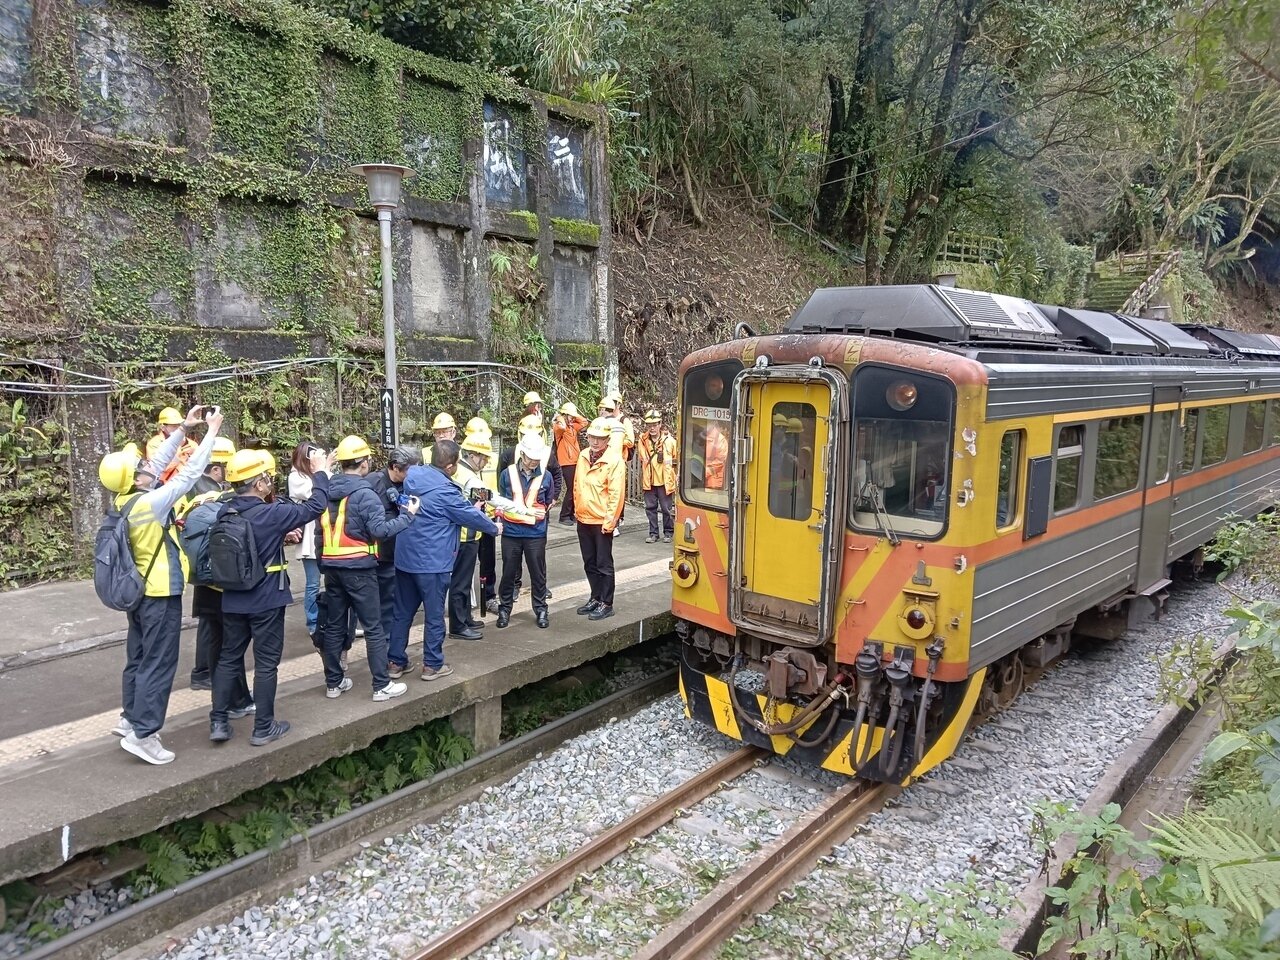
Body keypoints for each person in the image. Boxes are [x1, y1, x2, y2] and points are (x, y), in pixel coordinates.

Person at [99, 405, 224, 765]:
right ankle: (145, 733)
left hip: (140, 593)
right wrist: (212, 433)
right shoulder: (149, 505)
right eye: (140, 467)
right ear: (135, 479)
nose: (146, 466)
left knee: (138, 657)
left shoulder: (127, 500)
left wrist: (183, 429)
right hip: (160, 594)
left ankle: (130, 718)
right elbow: (188, 476)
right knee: (159, 662)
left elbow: (157, 464)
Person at [210, 446, 333, 746]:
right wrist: (319, 472)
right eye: (266, 478)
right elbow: (315, 506)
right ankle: (263, 727)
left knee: (228, 658)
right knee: (266, 664)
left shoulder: (226, 511)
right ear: (258, 483)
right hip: (266, 599)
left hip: (232, 598)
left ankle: (219, 722)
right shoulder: (271, 512)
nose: (269, 482)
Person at [317, 435, 419, 702]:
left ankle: (334, 683)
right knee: (374, 627)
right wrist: (408, 516)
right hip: (360, 569)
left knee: (335, 625)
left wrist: (323, 564)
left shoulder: (326, 492)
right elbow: (380, 530)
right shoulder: (366, 494)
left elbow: (320, 534)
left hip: (332, 568)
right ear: (364, 463)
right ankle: (381, 686)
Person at [389, 441, 501, 682]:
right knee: (434, 614)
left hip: (405, 558)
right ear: (450, 466)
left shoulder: (412, 476)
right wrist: (495, 527)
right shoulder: (446, 491)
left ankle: (395, 662)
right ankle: (432, 664)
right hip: (432, 563)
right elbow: (470, 516)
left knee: (402, 612)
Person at [187, 436, 238, 692]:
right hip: (216, 566)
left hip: (198, 564)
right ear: (217, 468)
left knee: (208, 622)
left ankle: (203, 672)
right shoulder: (216, 494)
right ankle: (209, 673)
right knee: (219, 626)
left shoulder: (189, 487)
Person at [367, 443, 421, 676]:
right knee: (385, 609)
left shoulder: (411, 483)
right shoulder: (373, 484)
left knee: (391, 606)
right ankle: (390, 659)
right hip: (380, 556)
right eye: (410, 469)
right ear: (395, 467)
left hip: (402, 556)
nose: (414, 474)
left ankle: (391, 656)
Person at [497, 433, 555, 630]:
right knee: (508, 573)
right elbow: (502, 499)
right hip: (511, 533)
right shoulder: (507, 473)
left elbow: (547, 501)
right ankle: (504, 609)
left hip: (535, 534)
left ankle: (541, 609)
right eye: (530, 457)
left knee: (538, 574)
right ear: (521, 454)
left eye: (536, 458)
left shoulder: (546, 476)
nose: (533, 461)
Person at [575, 418, 626, 622]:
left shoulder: (614, 460)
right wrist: (577, 510)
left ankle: (607, 602)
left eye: (600, 438)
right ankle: (595, 597)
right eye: (592, 437)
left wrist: (610, 521)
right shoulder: (583, 455)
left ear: (607, 439)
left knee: (604, 563)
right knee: (589, 562)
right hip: (584, 517)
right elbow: (578, 484)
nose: (595, 442)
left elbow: (616, 494)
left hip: (601, 519)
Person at [447, 434, 494, 640]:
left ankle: (465, 617)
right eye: (484, 458)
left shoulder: (464, 472)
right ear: (474, 456)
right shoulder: (468, 476)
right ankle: (458, 625)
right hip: (465, 536)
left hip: (469, 535)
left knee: (465, 581)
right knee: (460, 582)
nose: (486, 462)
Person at [287, 442, 323, 643]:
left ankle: (326, 621)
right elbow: (317, 492)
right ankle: (313, 623)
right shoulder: (296, 477)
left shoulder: (312, 475)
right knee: (312, 584)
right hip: (310, 538)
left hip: (323, 536)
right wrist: (323, 470)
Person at [465, 417, 501, 615]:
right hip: (468, 517)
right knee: (466, 562)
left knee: (488, 561)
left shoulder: (492, 458)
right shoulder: (460, 465)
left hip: (488, 515)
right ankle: (465, 602)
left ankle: (489, 596)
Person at [598, 394, 635, 537]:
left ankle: (616, 523)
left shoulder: (624, 422)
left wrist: (618, 441)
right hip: (604, 461)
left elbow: (630, 441)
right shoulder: (604, 422)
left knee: (616, 493)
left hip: (618, 460)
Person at [638, 409, 677, 543]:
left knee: (666, 509)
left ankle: (668, 532)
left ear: (660, 424)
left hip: (665, 481)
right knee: (650, 508)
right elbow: (642, 458)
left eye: (655, 424)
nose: (652, 428)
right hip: (649, 481)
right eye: (649, 425)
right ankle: (653, 533)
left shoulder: (670, 441)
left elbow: (676, 460)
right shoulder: (643, 441)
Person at [553, 401, 589, 526]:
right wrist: (560, 417)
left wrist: (573, 416)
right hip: (566, 462)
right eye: (570, 416)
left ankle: (571, 513)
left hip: (575, 460)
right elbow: (561, 427)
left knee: (576, 488)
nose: (573, 418)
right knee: (571, 489)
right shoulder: (559, 427)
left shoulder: (573, 426)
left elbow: (584, 422)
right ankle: (564, 515)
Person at [145, 406, 199, 483]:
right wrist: (178, 447)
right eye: (174, 426)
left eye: (179, 425)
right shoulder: (154, 443)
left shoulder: (192, 445)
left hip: (188, 485)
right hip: (164, 485)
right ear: (163, 427)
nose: (178, 428)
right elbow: (159, 468)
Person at [705, 422, 729, 491]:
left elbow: (720, 463)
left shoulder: (720, 439)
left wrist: (703, 473)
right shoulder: (700, 435)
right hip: (697, 480)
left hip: (712, 483)